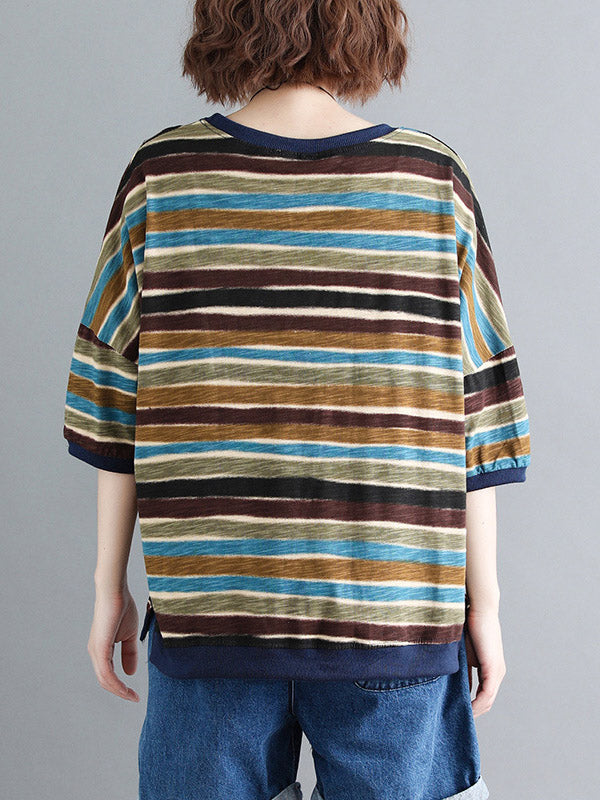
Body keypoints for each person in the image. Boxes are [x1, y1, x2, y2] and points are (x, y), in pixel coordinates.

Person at [62, 2, 530, 798]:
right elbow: (479, 411)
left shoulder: (163, 175)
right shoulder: (430, 179)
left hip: (212, 611)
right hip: (391, 608)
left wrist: (109, 587)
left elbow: (112, 396)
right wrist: (482, 604)